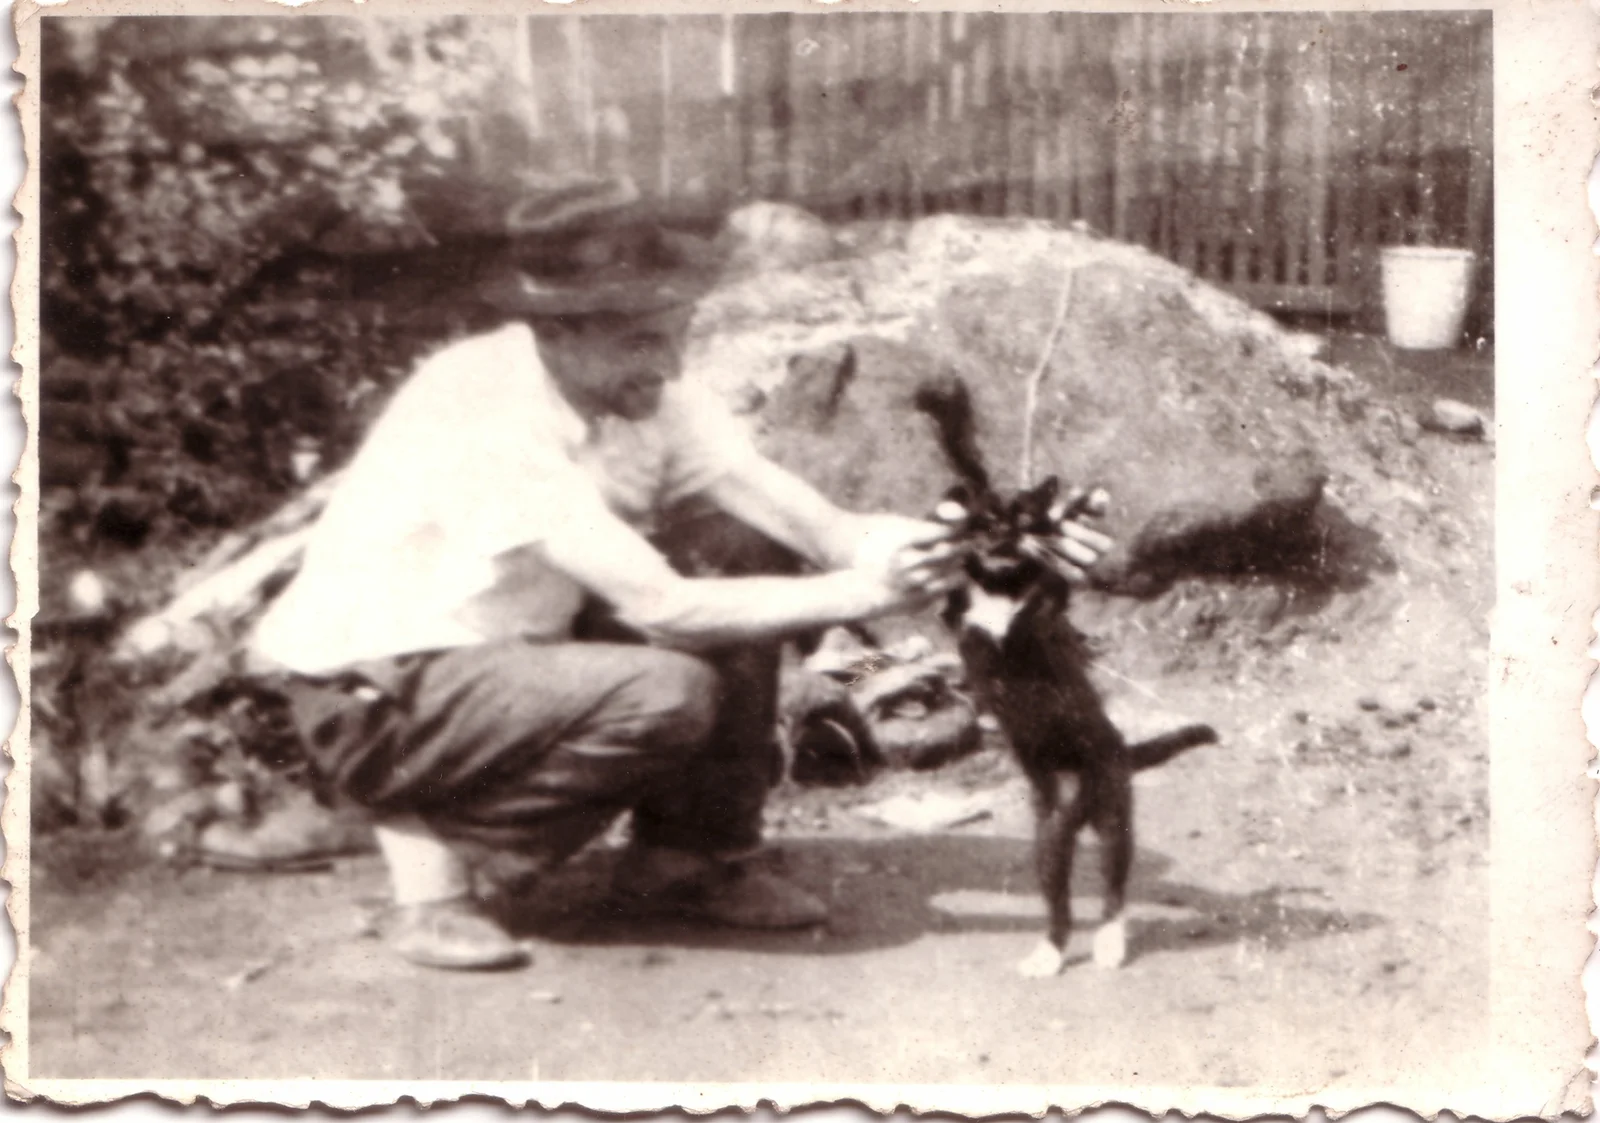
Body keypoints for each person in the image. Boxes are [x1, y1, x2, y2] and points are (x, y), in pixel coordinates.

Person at [250, 181, 1111, 970]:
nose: (667, 365)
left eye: (677, 332)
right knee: (664, 691)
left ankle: (687, 857)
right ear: (556, 332)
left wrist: (939, 544)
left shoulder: (641, 383)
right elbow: (661, 607)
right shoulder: (484, 411)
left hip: (514, 659)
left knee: (737, 540)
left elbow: (814, 525)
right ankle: (434, 859)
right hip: (378, 692)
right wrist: (868, 593)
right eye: (639, 341)